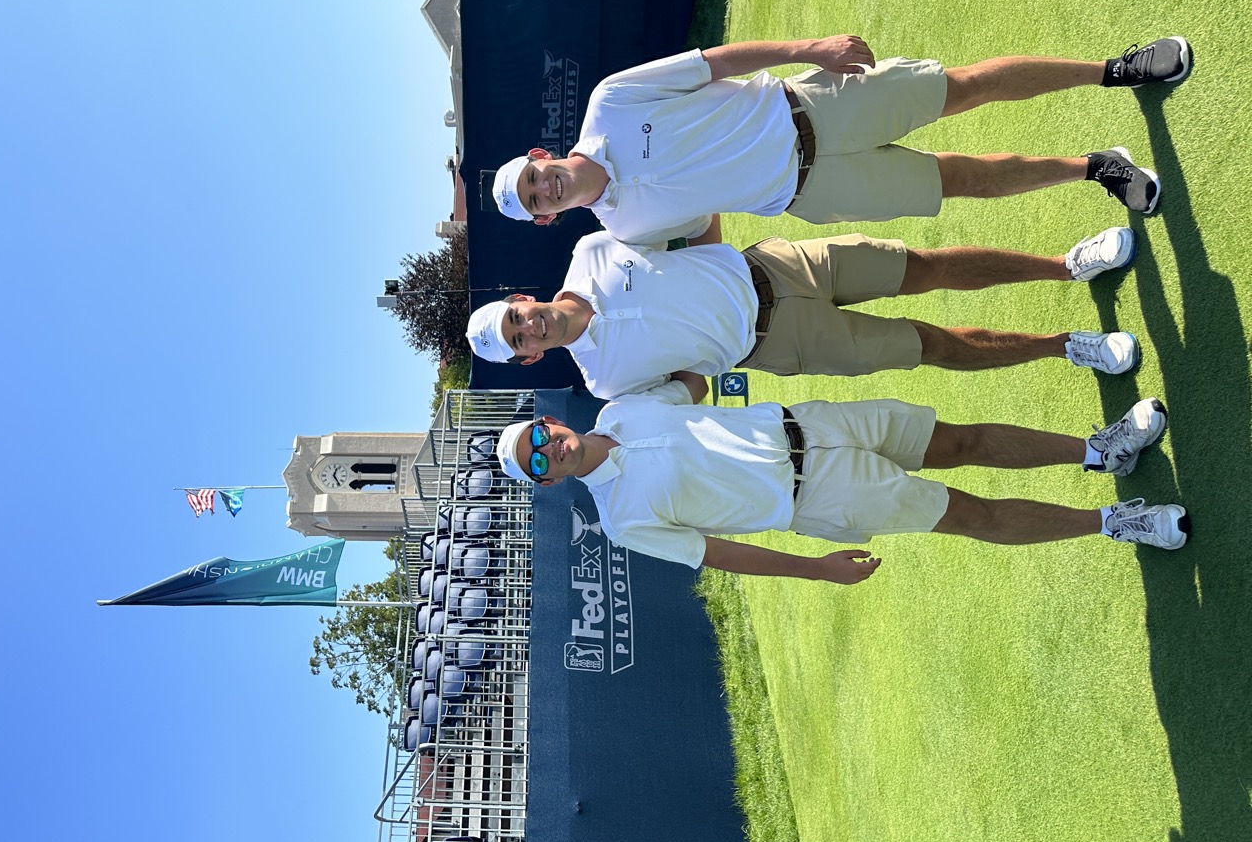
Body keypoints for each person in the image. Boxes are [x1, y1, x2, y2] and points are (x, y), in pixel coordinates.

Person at [489, 35, 1193, 242]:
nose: (542, 187)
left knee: (966, 87)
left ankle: (1115, 69)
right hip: (815, 192)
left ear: (541, 156)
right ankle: (1097, 168)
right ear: (546, 217)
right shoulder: (623, 232)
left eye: (533, 175)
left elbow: (714, 63)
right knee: (962, 180)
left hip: (816, 106)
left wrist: (810, 49)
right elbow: (701, 233)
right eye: (535, 200)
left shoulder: (611, 101)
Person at [494, 372, 1187, 581]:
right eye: (537, 462)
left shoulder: (621, 406)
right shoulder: (620, 521)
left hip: (814, 423)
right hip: (817, 497)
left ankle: (1102, 452)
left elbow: (693, 386)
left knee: (961, 440)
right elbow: (721, 554)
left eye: (539, 435)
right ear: (548, 483)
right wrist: (818, 570)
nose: (547, 448)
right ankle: (1116, 522)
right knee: (967, 512)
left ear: (549, 422)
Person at [465, 226, 1142, 394]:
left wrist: (720, 266)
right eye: (518, 338)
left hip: (778, 263)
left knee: (925, 268)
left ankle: (1067, 265)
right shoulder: (603, 382)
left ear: (520, 300)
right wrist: (721, 345)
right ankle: (1067, 345)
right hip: (781, 344)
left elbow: (687, 219)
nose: (527, 325)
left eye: (515, 314)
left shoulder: (589, 250)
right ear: (529, 356)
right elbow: (688, 390)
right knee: (928, 343)